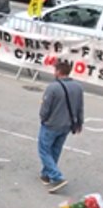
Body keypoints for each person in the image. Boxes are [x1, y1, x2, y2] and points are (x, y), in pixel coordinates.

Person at [39, 57, 84, 193]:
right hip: (67, 124)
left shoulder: (53, 87)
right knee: (56, 150)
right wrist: (79, 123)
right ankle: (46, 175)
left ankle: (56, 176)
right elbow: (80, 107)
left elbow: (45, 108)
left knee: (44, 150)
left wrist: (43, 119)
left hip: (52, 124)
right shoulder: (78, 87)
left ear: (59, 72)